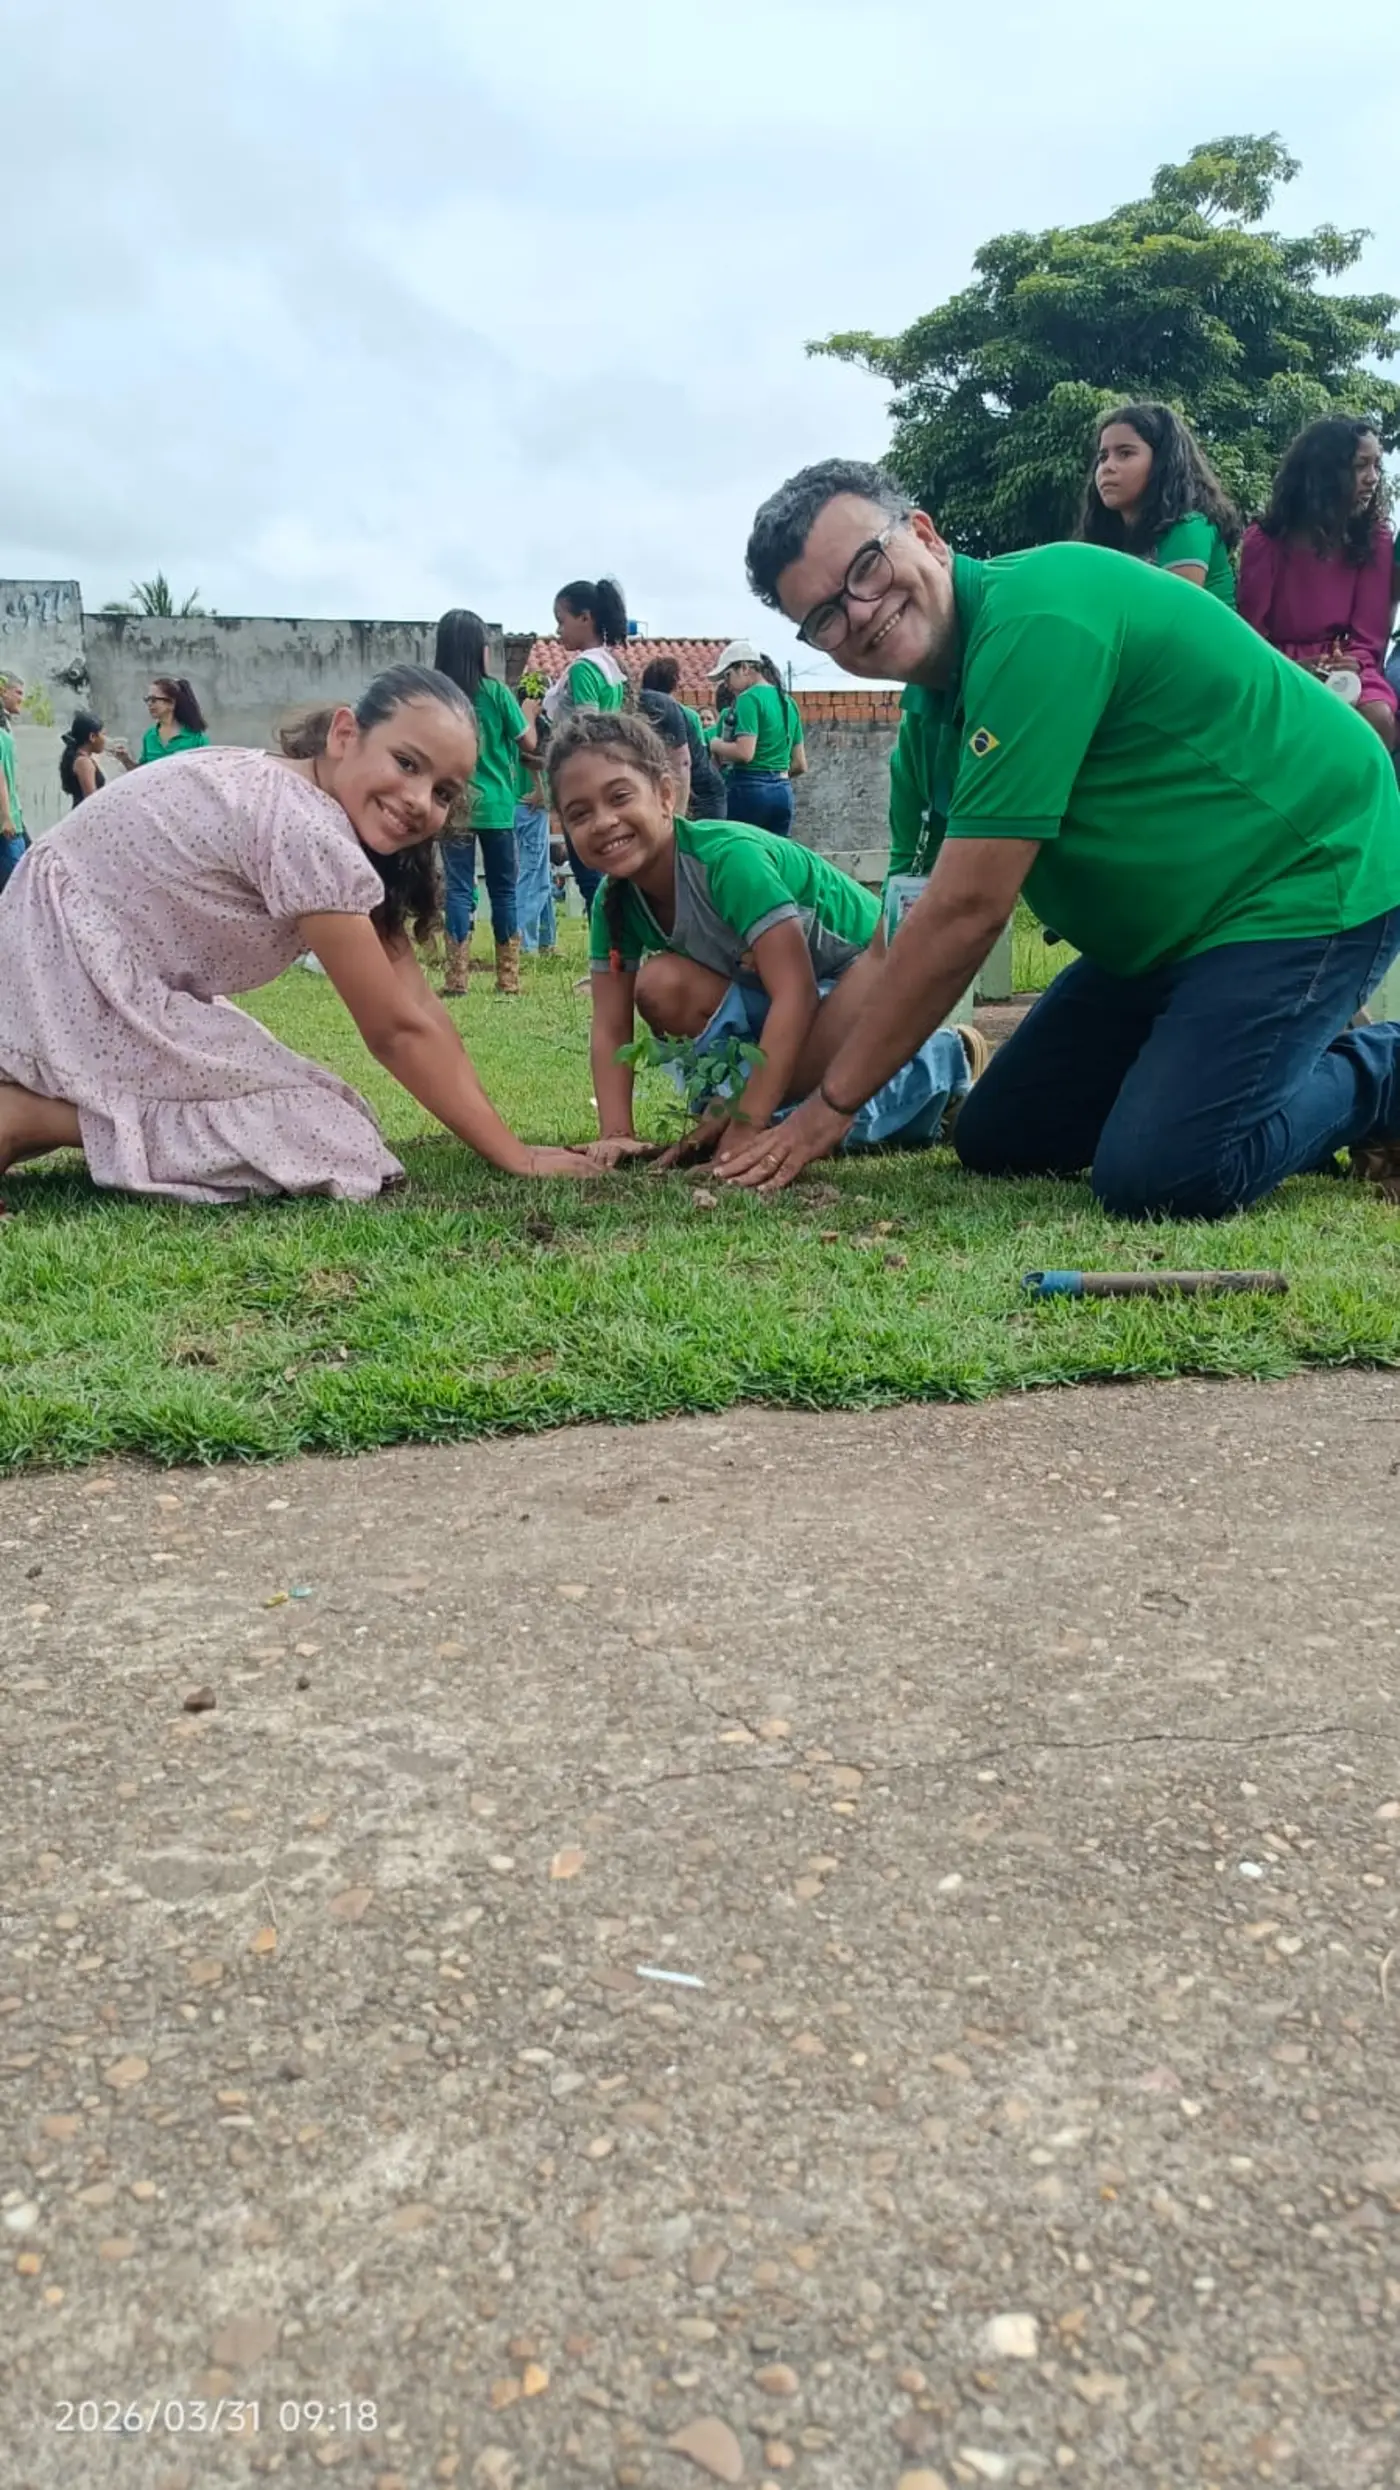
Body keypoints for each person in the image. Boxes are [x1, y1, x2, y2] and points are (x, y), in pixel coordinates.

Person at [713, 456, 1400, 1214]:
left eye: (866, 567)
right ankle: (1237, 1076)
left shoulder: (1038, 618)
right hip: (1164, 938)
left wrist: (830, 1110)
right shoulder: (927, 724)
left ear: (925, 535)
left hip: (1309, 875)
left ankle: (1380, 1069)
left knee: (1163, 1178)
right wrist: (759, 1109)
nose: (860, 611)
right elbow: (897, 940)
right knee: (1002, 1138)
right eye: (824, 617)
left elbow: (969, 911)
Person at [0, 664, 593, 1201]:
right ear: (344, 734)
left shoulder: (306, 802)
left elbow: (417, 1005)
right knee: (325, 1132)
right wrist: (515, 1157)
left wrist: (505, 1140)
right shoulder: (307, 829)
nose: (418, 800)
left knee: (326, 1107)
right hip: (70, 964)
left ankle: (41, 1112)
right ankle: (22, 1119)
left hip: (63, 952)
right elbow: (394, 1031)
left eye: (443, 792)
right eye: (406, 763)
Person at [548, 711, 981, 1172]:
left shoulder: (728, 861)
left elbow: (796, 994)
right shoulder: (613, 903)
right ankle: (758, 1097)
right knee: (660, 984)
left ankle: (943, 1062)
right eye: (580, 814)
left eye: (619, 797)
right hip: (787, 1002)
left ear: (666, 795)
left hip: (863, 984)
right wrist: (616, 1134)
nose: (604, 821)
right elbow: (611, 1027)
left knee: (801, 1125)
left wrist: (748, 1121)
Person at [1239, 416, 1398, 749]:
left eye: (1376, 466)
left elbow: (1369, 636)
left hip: (1348, 661)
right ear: (1325, 474)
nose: (1373, 478)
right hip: (1279, 663)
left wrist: (1351, 663)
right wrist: (1296, 667)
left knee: (1378, 717)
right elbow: (1251, 635)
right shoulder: (1265, 541)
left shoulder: (1374, 537)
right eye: (1360, 466)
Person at [432, 609, 528, 996]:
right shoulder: (497, 693)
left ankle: (457, 979)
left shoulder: (435, 698)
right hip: (499, 807)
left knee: (458, 889)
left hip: (454, 806)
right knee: (504, 891)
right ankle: (508, 980)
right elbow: (528, 741)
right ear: (479, 651)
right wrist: (530, 714)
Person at [1080, 401, 1240, 605]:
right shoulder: (1113, 534)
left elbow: (1168, 617)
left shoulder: (1188, 528)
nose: (1107, 467)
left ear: (1161, 462)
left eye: (1125, 453)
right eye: (1103, 457)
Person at [543, 576, 630, 919]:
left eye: (561, 620)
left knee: (590, 875)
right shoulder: (610, 667)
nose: (558, 630)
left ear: (585, 618)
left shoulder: (583, 669)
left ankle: (605, 944)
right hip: (610, 769)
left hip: (583, 777)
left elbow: (585, 729)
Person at [707, 639, 798, 834]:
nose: (726, 684)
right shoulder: (788, 702)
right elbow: (800, 763)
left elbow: (744, 752)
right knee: (776, 850)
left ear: (744, 668)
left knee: (742, 849)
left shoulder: (748, 698)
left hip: (749, 789)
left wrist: (715, 744)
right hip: (783, 791)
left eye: (728, 675)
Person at [640, 656, 727, 816]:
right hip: (701, 786)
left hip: (697, 791)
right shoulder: (685, 713)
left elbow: (684, 762)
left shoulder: (659, 707)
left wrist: (678, 814)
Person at [112, 676, 210, 769]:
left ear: (171, 703)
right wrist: (125, 760)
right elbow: (142, 773)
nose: (149, 704)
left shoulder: (196, 738)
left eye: (154, 700)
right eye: (147, 699)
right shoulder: (150, 736)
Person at [0, 670, 28, 891]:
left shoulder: (5, 728)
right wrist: (6, 816)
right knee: (16, 885)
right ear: (3, 692)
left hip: (13, 816)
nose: (21, 698)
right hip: (7, 821)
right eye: (17, 692)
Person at [59, 710, 107, 808]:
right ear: (92, 737)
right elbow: (91, 801)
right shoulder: (84, 763)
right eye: (103, 734)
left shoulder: (81, 758)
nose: (105, 739)